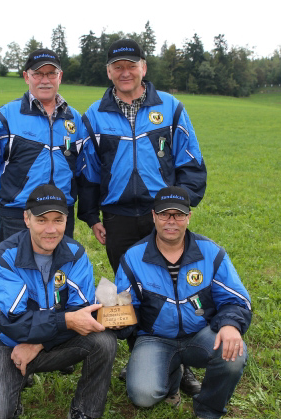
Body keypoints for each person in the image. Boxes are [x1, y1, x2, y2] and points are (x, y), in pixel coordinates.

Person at [78, 38, 207, 395]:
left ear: (143, 68)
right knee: (130, 293)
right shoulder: (94, 115)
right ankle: (144, 357)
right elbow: (88, 172)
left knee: (171, 288)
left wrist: (180, 208)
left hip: (160, 216)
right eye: (117, 67)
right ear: (109, 72)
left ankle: (180, 367)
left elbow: (191, 162)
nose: (125, 72)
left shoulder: (170, 108)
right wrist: (91, 216)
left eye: (131, 65)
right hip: (117, 217)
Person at [0, 185, 116, 419]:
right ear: (26, 219)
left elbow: (81, 314)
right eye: (42, 220)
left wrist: (39, 344)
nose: (51, 229)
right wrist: (64, 321)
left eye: (58, 220)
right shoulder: (2, 260)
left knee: (103, 341)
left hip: (52, 341)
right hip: (10, 344)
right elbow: (12, 323)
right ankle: (15, 386)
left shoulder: (76, 255)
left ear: (66, 221)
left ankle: (84, 410)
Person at [115, 187, 251, 419]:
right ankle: (171, 378)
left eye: (178, 215)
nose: (171, 221)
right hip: (154, 338)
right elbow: (126, 306)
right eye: (164, 215)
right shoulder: (133, 257)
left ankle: (208, 411)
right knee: (143, 395)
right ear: (153, 216)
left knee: (234, 353)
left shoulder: (211, 252)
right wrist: (118, 321)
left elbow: (236, 299)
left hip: (201, 334)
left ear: (189, 217)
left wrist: (230, 324)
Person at [0, 48, 84, 243]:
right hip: (18, 217)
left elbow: (83, 167)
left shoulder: (75, 119)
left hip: (61, 216)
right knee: (15, 263)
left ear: (60, 77)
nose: (45, 80)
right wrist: (12, 200)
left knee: (61, 264)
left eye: (51, 73)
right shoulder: (3, 117)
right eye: (38, 74)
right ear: (26, 77)